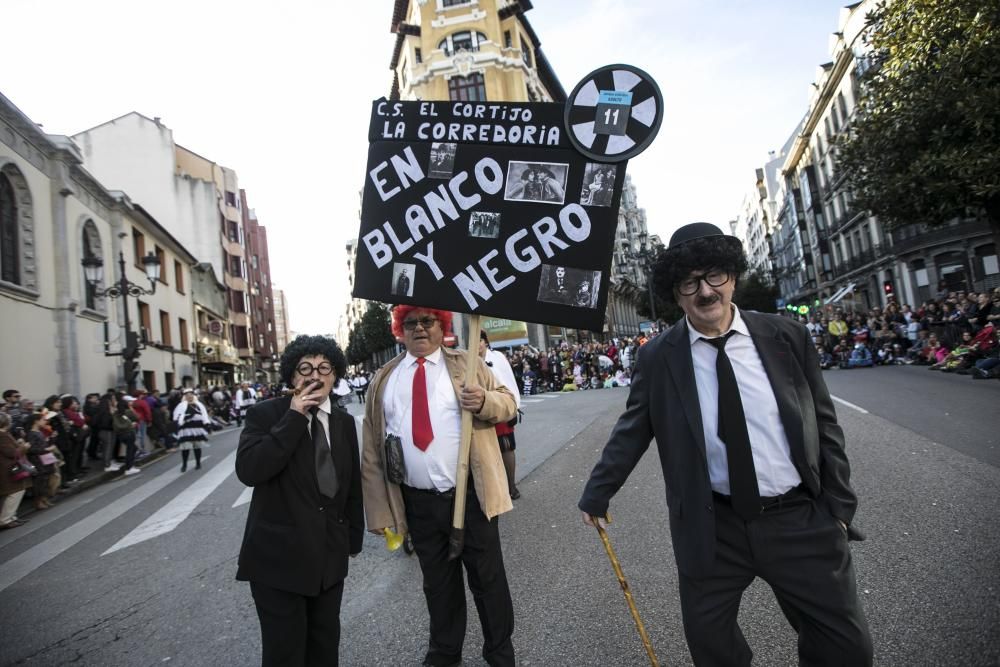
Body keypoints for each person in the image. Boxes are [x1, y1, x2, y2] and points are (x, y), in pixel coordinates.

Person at [578, 222, 872, 666]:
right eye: (689, 282)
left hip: (798, 516)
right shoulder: (659, 356)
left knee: (843, 648)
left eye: (714, 276)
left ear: (732, 277)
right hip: (713, 526)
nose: (705, 291)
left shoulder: (785, 337)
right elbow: (633, 427)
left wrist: (838, 508)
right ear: (676, 293)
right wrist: (598, 490)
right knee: (712, 648)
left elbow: (825, 424)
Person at [362, 306, 518, 667]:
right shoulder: (385, 379)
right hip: (418, 503)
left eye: (427, 321)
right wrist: (380, 510)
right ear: (399, 329)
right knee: (438, 586)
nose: (419, 329)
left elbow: (509, 403)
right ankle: (445, 653)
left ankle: (500, 653)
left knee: (488, 580)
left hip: (472, 496)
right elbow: (371, 449)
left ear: (441, 325)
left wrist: (484, 402)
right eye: (410, 323)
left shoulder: (467, 364)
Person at [236, 335, 363, 667]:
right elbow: (250, 470)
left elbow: (351, 485)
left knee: (324, 648)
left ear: (335, 376)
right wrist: (294, 417)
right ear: (291, 376)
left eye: (325, 367)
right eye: (304, 367)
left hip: (328, 558)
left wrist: (352, 538)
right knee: (285, 654)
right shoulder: (264, 415)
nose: (314, 375)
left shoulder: (343, 421)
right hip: (278, 561)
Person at [479, 331, 522, 500]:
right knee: (487, 450)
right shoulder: (469, 361)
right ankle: (496, 488)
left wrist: (513, 407)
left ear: (486, 342)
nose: (477, 344)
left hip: (500, 406)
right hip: (482, 409)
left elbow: (508, 381)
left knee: (506, 447)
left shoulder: (497, 357)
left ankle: (511, 486)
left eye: (480, 340)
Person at [0, 412, 31, 530]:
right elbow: (12, 453)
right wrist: (24, 447)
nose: (11, 422)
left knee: (11, 493)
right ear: (5, 422)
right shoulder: (2, 435)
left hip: (7, 467)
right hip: (7, 468)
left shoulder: (4, 434)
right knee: (15, 492)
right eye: (9, 420)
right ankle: (6, 519)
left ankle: (11, 517)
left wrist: (18, 444)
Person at [172, 389, 211, 472]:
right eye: (187, 395)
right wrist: (186, 417)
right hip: (186, 429)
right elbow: (176, 417)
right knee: (185, 448)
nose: (189, 396)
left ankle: (198, 463)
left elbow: (204, 415)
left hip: (197, 429)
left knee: (197, 446)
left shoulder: (199, 405)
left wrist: (207, 424)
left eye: (191, 395)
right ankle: (184, 464)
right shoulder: (181, 405)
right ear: (185, 396)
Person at [113, 396, 141, 476]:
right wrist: (131, 409)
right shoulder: (128, 412)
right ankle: (129, 467)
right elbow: (137, 417)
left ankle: (129, 466)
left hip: (121, 435)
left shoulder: (116, 413)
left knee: (132, 448)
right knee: (131, 449)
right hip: (129, 433)